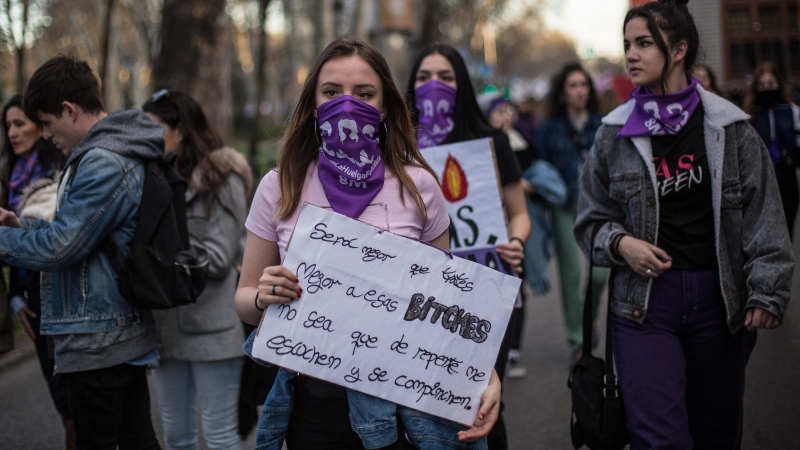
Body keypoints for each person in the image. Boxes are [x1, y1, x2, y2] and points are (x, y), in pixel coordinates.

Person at [235, 35, 501, 450]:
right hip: (315, 403)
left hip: (404, 405)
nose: (347, 103)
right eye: (331, 92)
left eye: (364, 93)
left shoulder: (420, 187)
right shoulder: (279, 185)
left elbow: (449, 304)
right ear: (312, 106)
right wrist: (263, 295)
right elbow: (245, 299)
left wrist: (485, 372)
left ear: (383, 107)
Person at [575, 1, 793, 449]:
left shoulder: (730, 128)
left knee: (716, 434)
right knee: (660, 439)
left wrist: (767, 290)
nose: (631, 54)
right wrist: (621, 245)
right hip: (644, 306)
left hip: (719, 303)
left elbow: (764, 215)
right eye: (627, 45)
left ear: (678, 50)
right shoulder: (611, 134)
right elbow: (590, 220)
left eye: (644, 44)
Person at [0, 56, 164, 449]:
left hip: (99, 339)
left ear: (69, 111)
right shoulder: (106, 152)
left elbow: (62, 247)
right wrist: (19, 228)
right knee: (137, 440)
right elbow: (82, 236)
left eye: (46, 123)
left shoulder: (102, 160)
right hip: (107, 331)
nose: (45, 135)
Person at [406, 43, 531, 450]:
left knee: (483, 399)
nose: (434, 86)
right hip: (421, 291)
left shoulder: (492, 142)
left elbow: (519, 213)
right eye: (424, 78)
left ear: (462, 85)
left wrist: (516, 241)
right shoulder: (398, 147)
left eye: (445, 77)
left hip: (487, 286)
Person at [143, 90, 253, 450]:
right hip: (166, 328)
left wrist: (162, 242)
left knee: (220, 435)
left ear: (181, 130)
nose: (146, 135)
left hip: (213, 330)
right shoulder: (152, 176)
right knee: (176, 437)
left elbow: (220, 258)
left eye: (154, 127)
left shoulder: (223, 176)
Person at [2, 94, 72, 448]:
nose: (13, 132)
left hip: (56, 296)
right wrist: (15, 296)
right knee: (59, 396)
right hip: (28, 296)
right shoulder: (10, 175)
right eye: (8, 126)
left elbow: (51, 243)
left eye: (21, 124)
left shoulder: (57, 174)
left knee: (70, 399)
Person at [537, 63, 608, 361]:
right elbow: (539, 167)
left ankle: (586, 317)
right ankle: (578, 341)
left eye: (584, 85)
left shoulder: (602, 125)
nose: (580, 91)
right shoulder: (549, 128)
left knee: (600, 273)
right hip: (565, 208)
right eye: (573, 85)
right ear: (562, 93)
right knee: (571, 274)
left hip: (598, 207)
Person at [742, 61, 800, 240]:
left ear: (778, 84)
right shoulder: (749, 115)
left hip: (786, 178)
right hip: (760, 180)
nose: (766, 88)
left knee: (787, 227)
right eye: (761, 85)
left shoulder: (792, 111)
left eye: (770, 84)